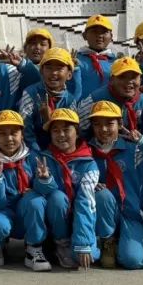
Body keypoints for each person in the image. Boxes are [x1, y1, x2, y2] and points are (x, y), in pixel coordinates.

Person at [88, 101, 143, 270]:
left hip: (130, 213)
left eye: (109, 123)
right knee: (102, 194)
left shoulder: (134, 150)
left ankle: (128, 244)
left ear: (120, 124)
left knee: (132, 260)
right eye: (97, 124)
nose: (103, 129)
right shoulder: (87, 151)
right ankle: (107, 241)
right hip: (102, 212)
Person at [0, 110, 50, 271]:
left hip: (26, 212)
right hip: (2, 211)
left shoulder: (33, 158)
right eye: (2, 134)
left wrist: (42, 181)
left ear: (22, 135)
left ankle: (34, 248)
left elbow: (46, 192)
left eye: (14, 133)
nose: (9, 138)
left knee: (36, 201)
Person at [35, 108, 100, 270]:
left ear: (77, 133)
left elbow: (85, 202)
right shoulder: (44, 158)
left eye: (66, 129)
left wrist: (83, 242)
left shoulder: (89, 163)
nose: (61, 135)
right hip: (55, 222)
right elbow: (39, 193)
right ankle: (60, 243)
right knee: (57, 197)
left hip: (80, 219)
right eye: (55, 130)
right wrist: (44, 180)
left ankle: (94, 240)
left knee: (86, 254)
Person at [77, 57, 143, 140]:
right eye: (122, 77)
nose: (129, 81)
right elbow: (78, 131)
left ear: (140, 80)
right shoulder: (95, 100)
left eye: (133, 77)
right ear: (111, 80)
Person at [19, 47, 81, 149]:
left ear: (69, 75)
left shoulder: (70, 100)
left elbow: (71, 132)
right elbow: (26, 129)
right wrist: (37, 152)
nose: (54, 73)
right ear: (41, 72)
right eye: (49, 68)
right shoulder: (31, 93)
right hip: (34, 150)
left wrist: (48, 121)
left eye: (59, 68)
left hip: (60, 150)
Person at [73, 15, 118, 100]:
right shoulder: (75, 60)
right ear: (84, 35)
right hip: (82, 107)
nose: (99, 35)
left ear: (111, 36)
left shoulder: (117, 63)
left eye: (104, 32)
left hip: (110, 107)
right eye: (94, 31)